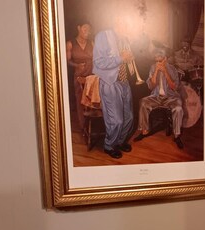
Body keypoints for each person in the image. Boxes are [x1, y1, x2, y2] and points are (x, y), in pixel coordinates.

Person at [92, 18, 135, 159]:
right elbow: (98, 62)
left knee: (129, 118)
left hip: (124, 82)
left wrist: (129, 59)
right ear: (117, 23)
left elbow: (126, 59)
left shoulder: (125, 39)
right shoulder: (102, 36)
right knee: (116, 120)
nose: (127, 27)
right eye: (125, 24)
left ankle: (120, 142)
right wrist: (120, 59)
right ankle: (109, 145)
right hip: (110, 82)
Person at [133, 49, 184, 149]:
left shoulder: (173, 69)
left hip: (171, 97)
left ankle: (177, 135)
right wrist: (156, 70)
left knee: (178, 108)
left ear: (165, 59)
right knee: (143, 102)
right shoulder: (153, 68)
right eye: (156, 61)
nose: (158, 63)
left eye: (160, 61)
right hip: (156, 97)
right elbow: (151, 87)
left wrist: (165, 71)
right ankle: (144, 131)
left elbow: (174, 87)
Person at [66, 22, 93, 134]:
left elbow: (97, 58)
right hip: (79, 76)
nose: (87, 31)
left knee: (92, 101)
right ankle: (83, 127)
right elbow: (67, 60)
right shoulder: (70, 43)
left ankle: (93, 125)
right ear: (78, 28)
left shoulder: (92, 43)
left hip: (92, 76)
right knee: (80, 102)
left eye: (89, 29)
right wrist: (76, 65)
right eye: (85, 28)